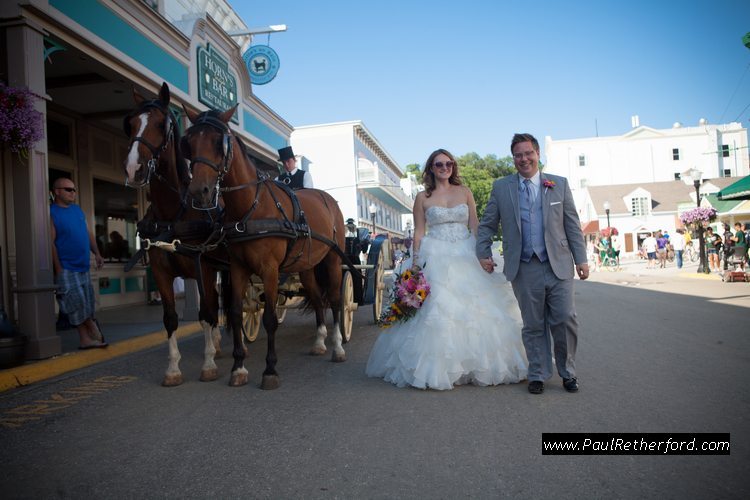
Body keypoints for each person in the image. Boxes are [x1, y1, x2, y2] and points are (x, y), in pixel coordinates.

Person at [366, 148, 527, 390]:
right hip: (436, 253)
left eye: (449, 164)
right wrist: (417, 263)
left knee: (480, 310)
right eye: (439, 164)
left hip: (466, 252)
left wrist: (483, 254)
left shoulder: (465, 192)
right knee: (438, 312)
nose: (445, 168)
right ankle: (437, 369)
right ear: (431, 168)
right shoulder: (422, 197)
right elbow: (419, 232)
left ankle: (478, 364)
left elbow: (475, 225)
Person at [476, 133, 589, 395]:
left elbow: (572, 224)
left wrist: (581, 258)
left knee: (565, 319)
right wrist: (483, 252)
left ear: (538, 154)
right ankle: (537, 372)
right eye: (518, 155)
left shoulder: (558, 184)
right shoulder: (502, 187)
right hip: (524, 267)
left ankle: (567, 372)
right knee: (533, 323)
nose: (524, 159)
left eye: (528, 153)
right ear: (513, 158)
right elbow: (487, 224)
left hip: (558, 264)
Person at [50, 177, 107, 349]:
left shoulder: (77, 210)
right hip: (66, 266)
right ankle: (90, 325)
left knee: (87, 302)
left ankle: (85, 339)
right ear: (57, 192)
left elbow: (88, 233)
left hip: (83, 265)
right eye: (68, 189)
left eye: (74, 189)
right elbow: (50, 242)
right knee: (75, 302)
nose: (73, 193)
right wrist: (58, 267)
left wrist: (96, 253)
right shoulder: (51, 212)